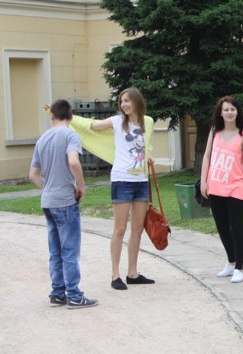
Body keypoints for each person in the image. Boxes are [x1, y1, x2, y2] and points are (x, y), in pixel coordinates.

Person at [29, 99, 98, 309]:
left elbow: (33, 175)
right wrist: (81, 184)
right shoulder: (70, 135)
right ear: (70, 116)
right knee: (69, 250)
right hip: (65, 200)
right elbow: (74, 162)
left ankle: (57, 293)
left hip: (48, 201)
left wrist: (48, 186)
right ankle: (75, 295)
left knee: (55, 250)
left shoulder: (42, 139)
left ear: (52, 115)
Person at [86, 87, 156, 291]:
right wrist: (67, 117)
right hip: (121, 179)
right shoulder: (116, 122)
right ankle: (115, 274)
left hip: (141, 181)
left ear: (136, 101)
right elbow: (92, 126)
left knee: (137, 228)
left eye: (127, 101)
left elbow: (147, 146)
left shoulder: (148, 122)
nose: (124, 105)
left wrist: (149, 156)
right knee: (120, 228)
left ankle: (132, 273)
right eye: (121, 101)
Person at [200, 96, 243, 283]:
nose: (230, 112)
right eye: (226, 110)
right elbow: (207, 157)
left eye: (233, 109)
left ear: (237, 112)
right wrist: (203, 181)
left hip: (235, 186)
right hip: (216, 185)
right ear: (221, 113)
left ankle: (239, 268)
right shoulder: (214, 131)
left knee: (236, 228)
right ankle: (231, 262)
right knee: (222, 227)